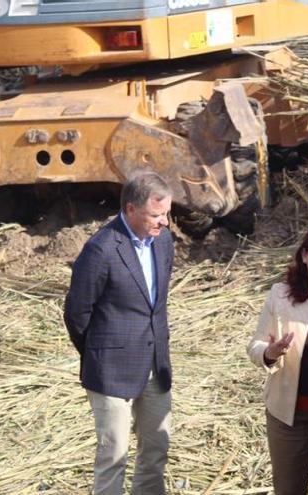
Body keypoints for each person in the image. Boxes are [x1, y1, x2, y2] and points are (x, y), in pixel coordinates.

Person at [64, 171, 175, 495]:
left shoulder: (163, 241)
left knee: (156, 450)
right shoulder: (101, 249)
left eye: (166, 213)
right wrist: (100, 352)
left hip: (155, 365)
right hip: (111, 372)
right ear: (130, 209)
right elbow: (77, 312)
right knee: (113, 455)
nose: (164, 222)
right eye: (156, 215)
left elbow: (157, 304)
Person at [247, 223, 308, 495]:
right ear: (303, 255)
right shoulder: (281, 295)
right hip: (286, 415)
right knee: (289, 488)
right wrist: (270, 352)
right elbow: (255, 345)